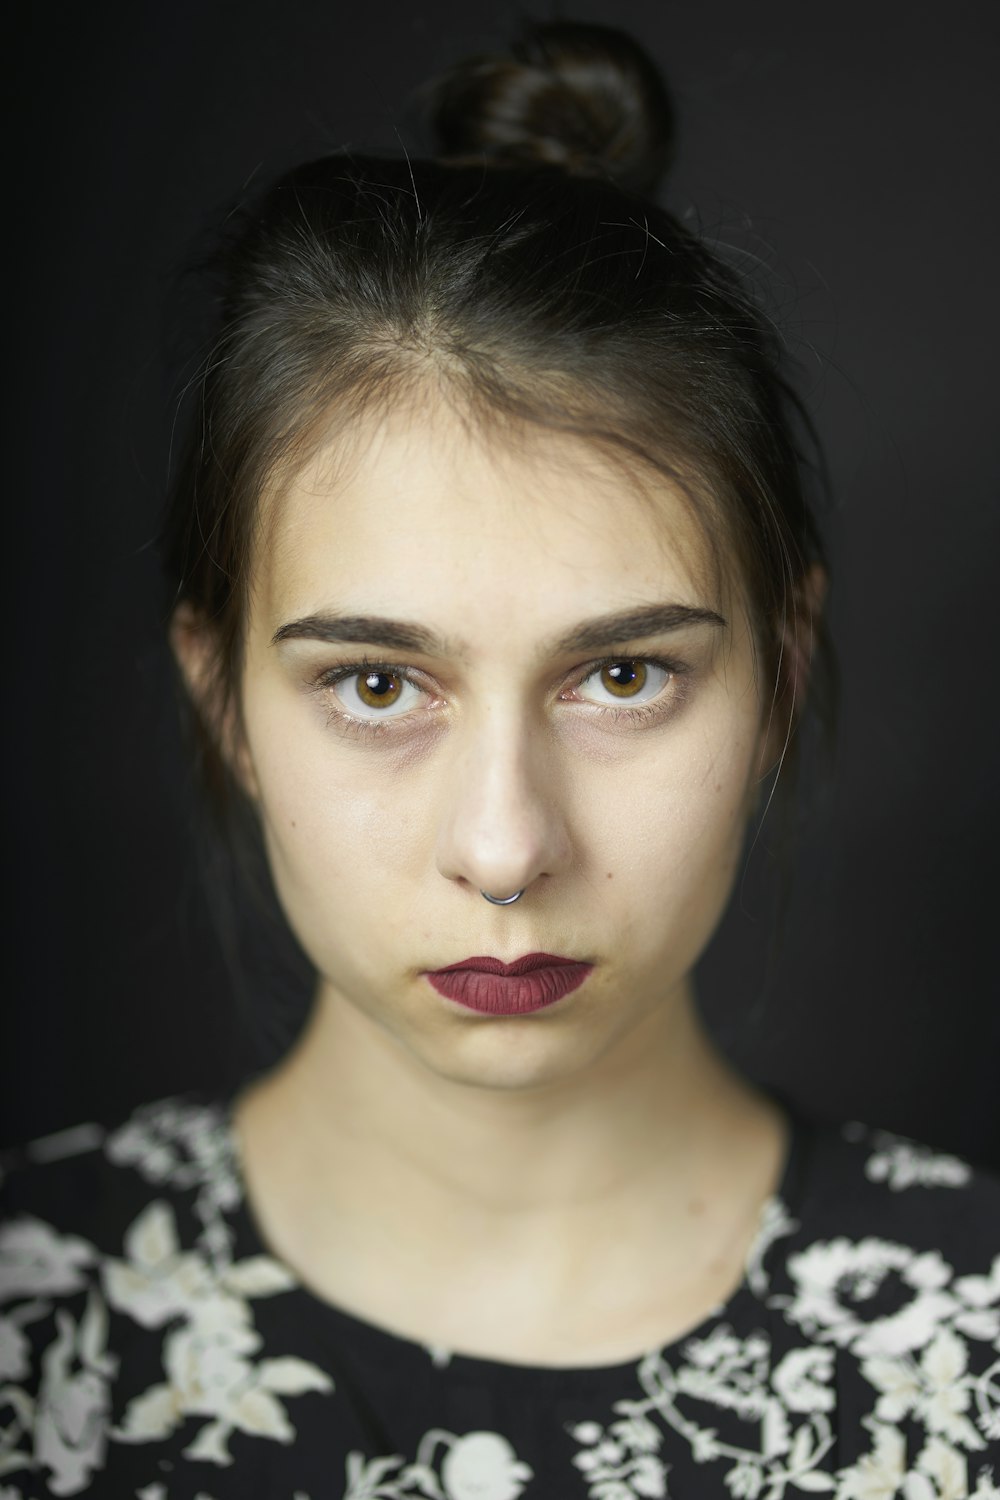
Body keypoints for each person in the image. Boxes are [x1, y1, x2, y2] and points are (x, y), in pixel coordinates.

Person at [1, 19, 997, 1500]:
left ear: (780, 678)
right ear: (222, 701)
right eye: (378, 683)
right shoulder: (33, 1330)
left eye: (620, 674)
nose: (507, 846)